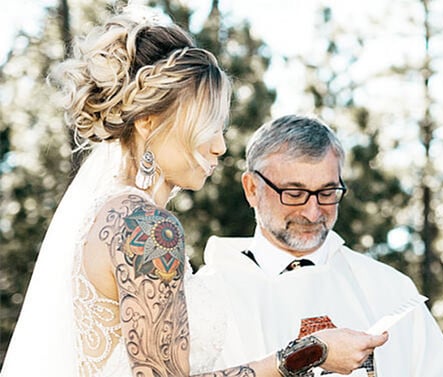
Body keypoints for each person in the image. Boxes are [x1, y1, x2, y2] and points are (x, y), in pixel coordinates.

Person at [0, 7, 387, 377]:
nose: (219, 145)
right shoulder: (146, 227)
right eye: (207, 124)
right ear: (149, 122)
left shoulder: (106, 214)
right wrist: (310, 353)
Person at [196, 115, 443, 376]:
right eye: (295, 194)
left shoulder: (392, 290)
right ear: (252, 188)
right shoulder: (207, 296)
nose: (312, 213)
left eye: (326, 193)